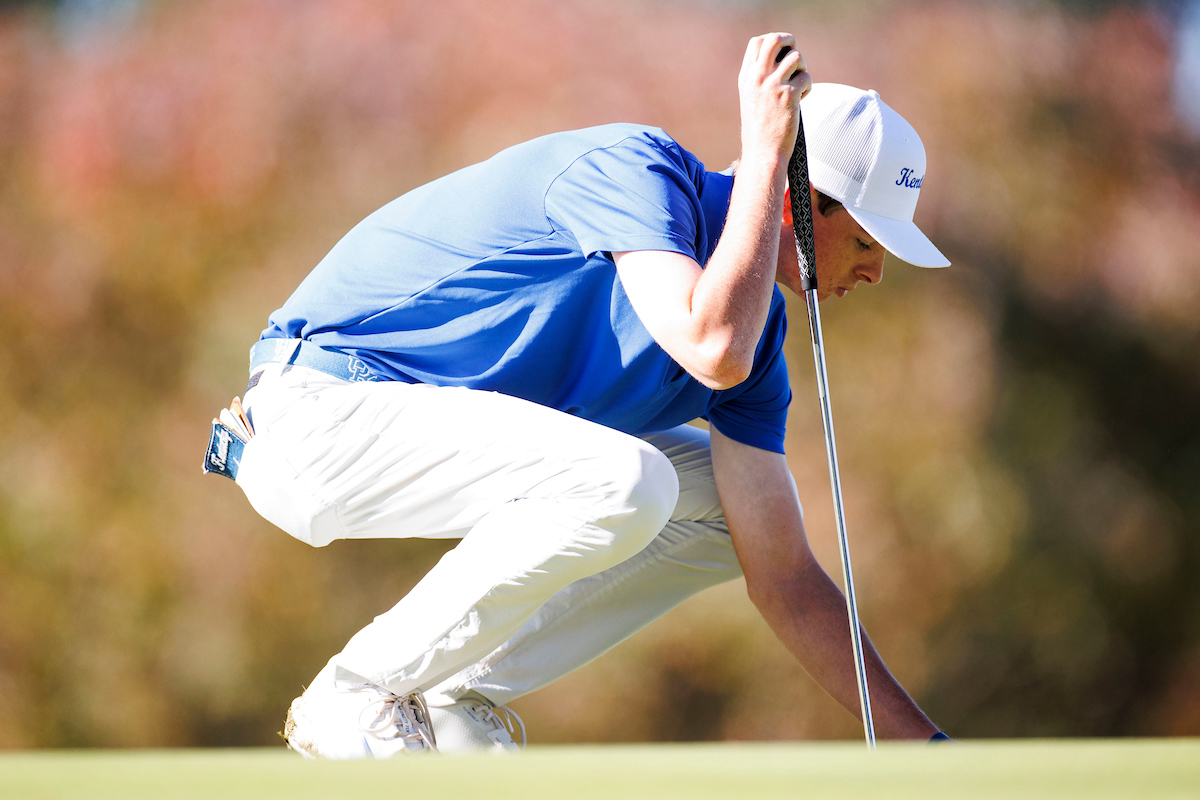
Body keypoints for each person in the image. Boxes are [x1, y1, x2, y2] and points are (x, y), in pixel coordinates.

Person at [203, 32, 952, 757]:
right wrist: (765, 154)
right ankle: (358, 691)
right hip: (314, 415)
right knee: (629, 481)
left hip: (385, 436)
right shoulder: (635, 170)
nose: (876, 273)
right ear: (800, 201)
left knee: (730, 511)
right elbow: (711, 347)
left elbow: (783, 573)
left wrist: (928, 750)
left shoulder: (759, 341)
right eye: (868, 243)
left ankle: (452, 692)